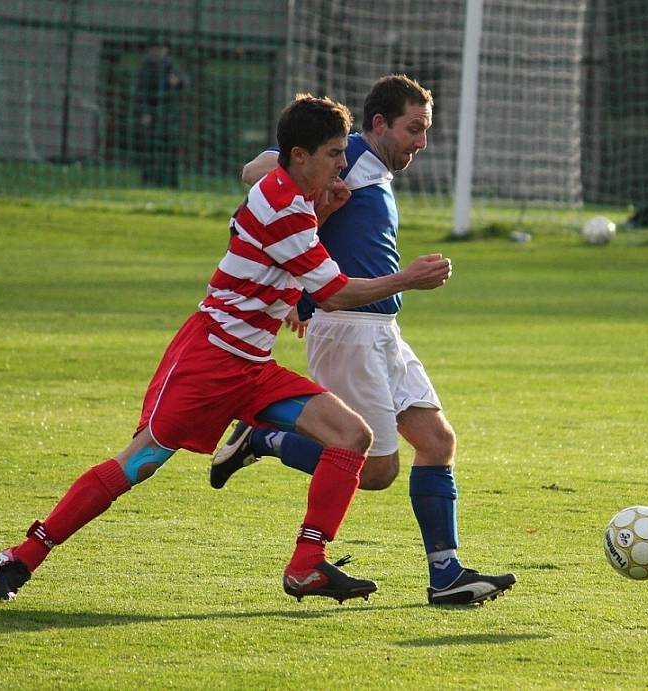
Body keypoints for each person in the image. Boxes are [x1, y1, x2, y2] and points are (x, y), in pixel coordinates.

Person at [0, 94, 453, 603]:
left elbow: (281, 241)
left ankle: (307, 565)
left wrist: (321, 211)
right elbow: (333, 290)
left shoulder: (296, 200)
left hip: (253, 365)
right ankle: (24, 553)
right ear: (300, 156)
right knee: (137, 464)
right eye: (335, 154)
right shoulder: (283, 206)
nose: (344, 165)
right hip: (208, 361)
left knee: (351, 436)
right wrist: (407, 278)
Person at [210, 75, 517, 606]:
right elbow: (256, 169)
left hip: (382, 331)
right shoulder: (348, 152)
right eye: (412, 129)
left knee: (437, 442)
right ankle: (263, 437)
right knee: (375, 471)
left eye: (425, 130)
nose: (420, 141)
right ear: (379, 124)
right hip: (348, 332)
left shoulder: (372, 169)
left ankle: (446, 575)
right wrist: (296, 180)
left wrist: (301, 301)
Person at [133, 39, 187, 188]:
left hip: (169, 117)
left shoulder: (171, 66)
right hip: (152, 115)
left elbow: (185, 82)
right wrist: (144, 112)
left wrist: (178, 82)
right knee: (150, 148)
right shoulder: (145, 68)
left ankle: (171, 182)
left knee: (171, 150)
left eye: (160, 49)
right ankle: (148, 180)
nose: (157, 52)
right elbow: (139, 92)